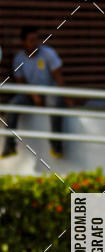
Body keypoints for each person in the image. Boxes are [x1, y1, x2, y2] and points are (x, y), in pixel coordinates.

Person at [1, 27, 69, 158]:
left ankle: (57, 146)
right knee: (12, 106)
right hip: (29, 94)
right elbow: (21, 82)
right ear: (23, 42)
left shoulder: (48, 53)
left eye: (37, 39)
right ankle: (9, 146)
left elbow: (58, 77)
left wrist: (67, 98)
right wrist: (33, 95)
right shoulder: (18, 59)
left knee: (54, 104)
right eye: (31, 40)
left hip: (50, 91)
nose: (36, 43)